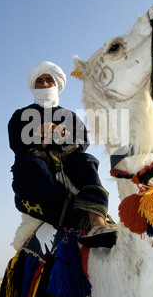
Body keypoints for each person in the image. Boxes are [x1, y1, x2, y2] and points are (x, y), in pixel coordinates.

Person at [8, 61, 116, 248]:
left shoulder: (69, 115)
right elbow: (16, 144)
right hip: (35, 171)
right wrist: (39, 139)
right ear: (34, 86)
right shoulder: (20, 115)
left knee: (86, 160)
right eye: (39, 81)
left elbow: (84, 141)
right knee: (31, 165)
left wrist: (64, 137)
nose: (44, 85)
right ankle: (77, 219)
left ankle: (97, 221)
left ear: (56, 84)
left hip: (67, 165)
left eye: (49, 80)